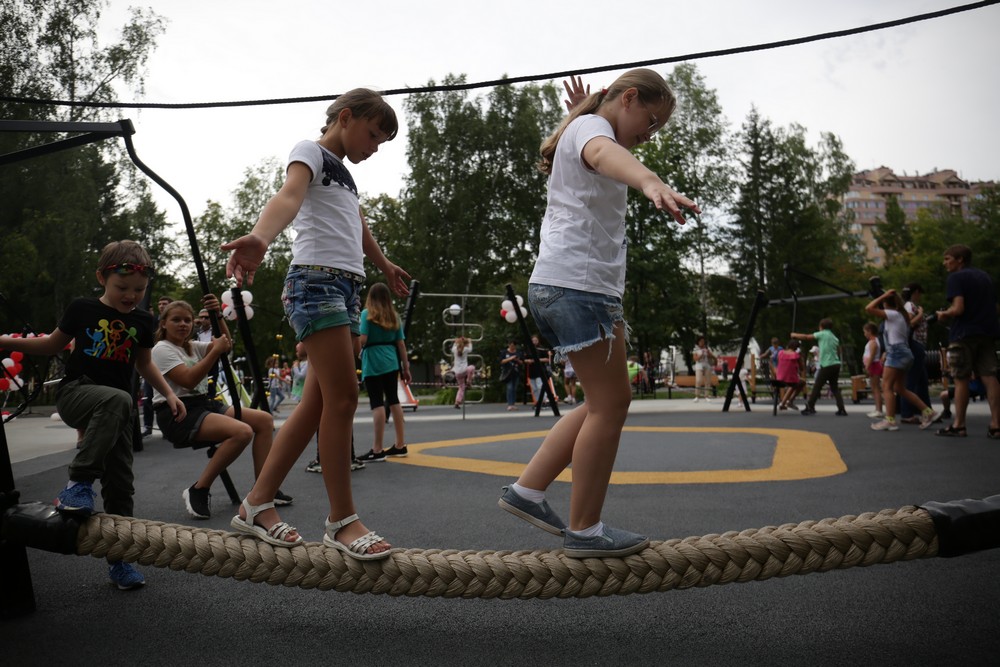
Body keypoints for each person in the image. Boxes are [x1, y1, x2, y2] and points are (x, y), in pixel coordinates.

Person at [498, 69, 698, 558]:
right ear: (628, 98)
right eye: (649, 122)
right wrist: (651, 182)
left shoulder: (584, 125)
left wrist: (579, 112)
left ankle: (527, 491)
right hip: (577, 285)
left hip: (567, 283)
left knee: (600, 401)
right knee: (611, 405)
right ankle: (584, 530)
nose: (648, 137)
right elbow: (605, 152)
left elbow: (595, 143)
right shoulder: (595, 133)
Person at [222, 88, 409, 560]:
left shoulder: (345, 178)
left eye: (383, 143)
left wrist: (384, 266)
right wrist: (262, 237)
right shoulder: (311, 152)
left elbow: (357, 225)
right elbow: (288, 195)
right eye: (373, 135)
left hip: (344, 288)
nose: (374, 147)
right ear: (345, 117)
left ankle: (256, 504)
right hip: (316, 283)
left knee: (319, 403)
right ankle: (341, 520)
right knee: (345, 398)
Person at [0, 240, 186, 589]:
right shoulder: (82, 308)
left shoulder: (144, 321)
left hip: (116, 413)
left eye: (139, 290)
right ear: (102, 277)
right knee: (118, 400)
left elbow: (144, 364)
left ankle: (120, 561)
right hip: (76, 394)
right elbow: (52, 344)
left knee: (121, 488)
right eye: (123, 288)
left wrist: (169, 394)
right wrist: (7, 341)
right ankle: (77, 483)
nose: (131, 296)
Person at [152, 298, 287, 518]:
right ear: (163, 323)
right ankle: (199, 488)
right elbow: (188, 381)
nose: (183, 324)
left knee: (263, 420)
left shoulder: (192, 346)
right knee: (241, 432)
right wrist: (215, 352)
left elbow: (225, 344)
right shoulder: (161, 350)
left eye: (187, 320)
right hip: (178, 413)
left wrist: (218, 315)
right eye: (176, 320)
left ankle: (264, 490)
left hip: (203, 404)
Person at [934, 244, 1000, 438]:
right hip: (988, 333)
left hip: (963, 334)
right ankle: (996, 424)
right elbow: (995, 308)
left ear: (959, 259)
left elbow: (958, 309)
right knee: (990, 377)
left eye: (947, 259)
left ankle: (959, 425)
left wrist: (943, 314)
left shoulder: (956, 277)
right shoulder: (986, 278)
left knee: (960, 378)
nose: (945, 263)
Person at [864, 289, 938, 431]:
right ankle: (929, 412)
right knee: (899, 388)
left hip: (896, 352)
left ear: (886, 303)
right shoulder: (902, 316)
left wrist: (883, 296)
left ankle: (890, 420)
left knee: (886, 387)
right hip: (904, 353)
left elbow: (869, 308)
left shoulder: (893, 314)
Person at [356, 282, 411, 462]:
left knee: (377, 403)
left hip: (373, 360)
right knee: (393, 400)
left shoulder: (366, 315)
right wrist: (406, 367)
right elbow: (401, 344)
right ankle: (400, 444)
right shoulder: (394, 316)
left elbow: (362, 339)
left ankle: (377, 448)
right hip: (391, 359)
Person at [792, 318, 847, 416]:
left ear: (821, 327)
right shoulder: (834, 337)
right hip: (836, 364)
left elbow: (806, 337)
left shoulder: (822, 334)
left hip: (827, 364)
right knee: (834, 388)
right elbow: (837, 350)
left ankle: (810, 407)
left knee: (817, 386)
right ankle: (841, 409)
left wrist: (795, 335)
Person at [141, 294, 174, 437]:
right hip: (152, 362)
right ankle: (148, 425)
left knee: (169, 395)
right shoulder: (152, 321)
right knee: (149, 397)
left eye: (164, 303)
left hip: (170, 363)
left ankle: (170, 427)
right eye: (159, 303)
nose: (161, 306)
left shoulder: (176, 321)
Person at [899, 283, 932, 423]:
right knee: (911, 380)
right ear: (916, 292)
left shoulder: (909, 305)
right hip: (914, 344)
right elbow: (909, 323)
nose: (920, 296)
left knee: (922, 381)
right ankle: (907, 414)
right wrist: (920, 314)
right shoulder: (910, 306)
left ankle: (927, 410)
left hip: (918, 345)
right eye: (919, 293)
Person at [775, 339, 806, 410]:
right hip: (791, 380)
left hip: (779, 378)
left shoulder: (780, 353)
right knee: (801, 382)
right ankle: (790, 401)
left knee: (794, 383)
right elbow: (802, 368)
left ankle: (783, 403)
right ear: (796, 348)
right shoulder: (796, 355)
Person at [862, 322, 884, 419]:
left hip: (874, 365)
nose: (864, 334)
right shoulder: (873, 341)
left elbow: (871, 356)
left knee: (876, 388)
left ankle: (879, 410)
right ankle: (877, 409)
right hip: (873, 365)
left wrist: (867, 366)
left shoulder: (873, 342)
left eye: (865, 332)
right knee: (874, 388)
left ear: (870, 331)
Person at [525, 334, 553, 405]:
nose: (534, 342)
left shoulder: (541, 349)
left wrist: (536, 360)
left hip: (540, 370)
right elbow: (524, 359)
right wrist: (527, 361)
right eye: (533, 340)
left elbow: (547, 359)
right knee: (534, 388)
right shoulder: (529, 349)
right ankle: (537, 401)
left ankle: (544, 400)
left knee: (539, 386)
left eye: (536, 340)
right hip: (532, 371)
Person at [451, 335, 476, 409]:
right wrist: (470, 342)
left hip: (457, 373)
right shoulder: (465, 349)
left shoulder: (455, 349)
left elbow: (453, 347)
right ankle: (468, 380)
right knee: (472, 368)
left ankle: (457, 402)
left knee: (461, 387)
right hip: (464, 371)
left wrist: (455, 342)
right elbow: (471, 349)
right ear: (465, 344)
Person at [499, 340, 523, 411]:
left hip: (516, 372)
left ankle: (513, 404)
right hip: (507, 373)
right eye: (510, 345)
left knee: (514, 389)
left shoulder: (518, 352)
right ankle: (510, 404)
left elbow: (522, 362)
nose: (512, 347)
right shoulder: (504, 352)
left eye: (513, 345)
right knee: (509, 388)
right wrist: (510, 358)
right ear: (508, 345)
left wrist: (517, 360)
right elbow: (501, 361)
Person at [692, 336, 716, 402]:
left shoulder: (708, 348)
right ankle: (697, 396)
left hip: (707, 365)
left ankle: (706, 396)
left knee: (708, 381)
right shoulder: (695, 349)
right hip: (699, 365)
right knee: (698, 380)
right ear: (698, 342)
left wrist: (709, 354)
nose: (702, 343)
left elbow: (712, 357)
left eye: (703, 341)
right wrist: (701, 355)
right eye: (700, 341)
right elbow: (695, 359)